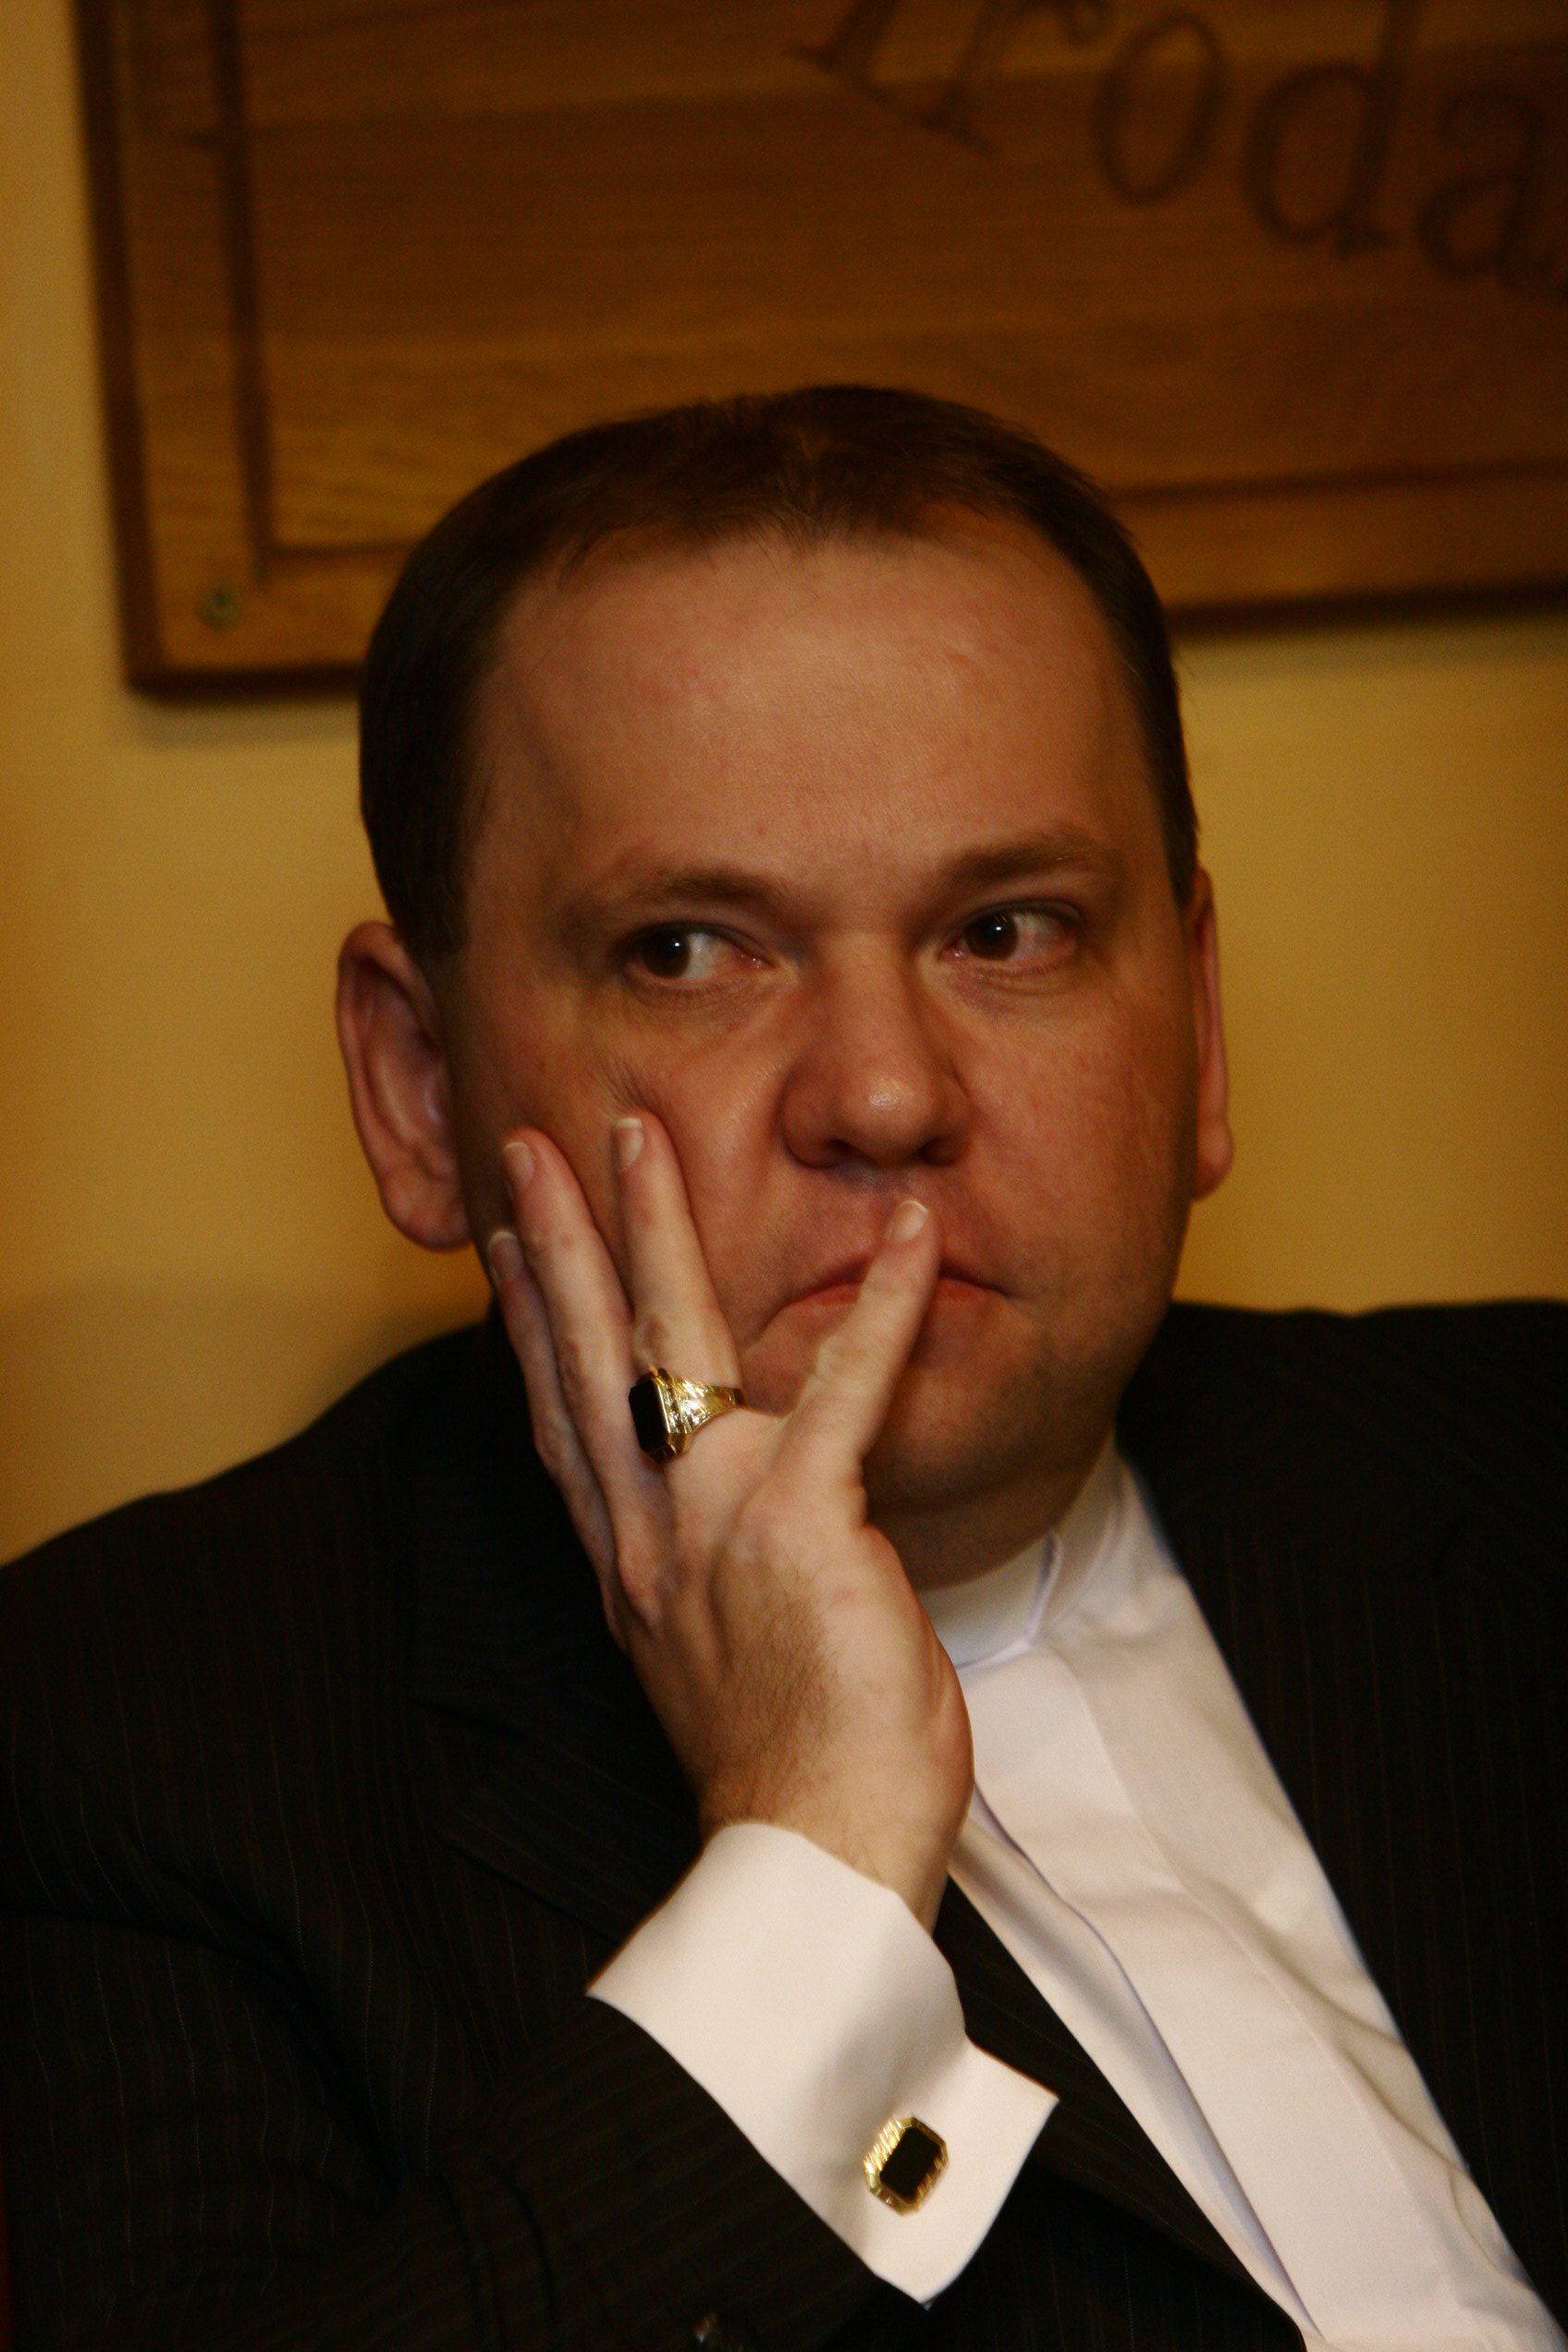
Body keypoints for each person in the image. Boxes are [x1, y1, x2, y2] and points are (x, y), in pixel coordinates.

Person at [0, 387, 1562, 2352]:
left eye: (1008, 930)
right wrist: (807, 1866)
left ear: (1198, 1022)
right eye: (688, 952)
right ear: (413, 1086)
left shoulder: (1527, 1457)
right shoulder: (128, 1737)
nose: (886, 1094)